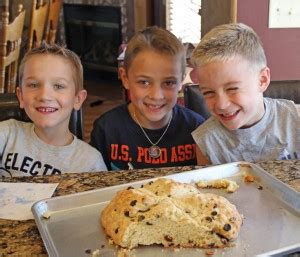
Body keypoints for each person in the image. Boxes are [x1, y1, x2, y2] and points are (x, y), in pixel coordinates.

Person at [90, 26, 205, 170]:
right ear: (125, 78)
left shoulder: (197, 129)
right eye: (144, 82)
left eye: (168, 83)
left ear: (181, 80)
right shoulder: (106, 129)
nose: (156, 95)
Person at [191, 23, 300, 165]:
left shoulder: (295, 119)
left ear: (262, 80)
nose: (222, 105)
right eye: (209, 92)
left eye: (232, 89)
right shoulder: (206, 142)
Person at [0, 42, 107, 177]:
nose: (45, 96)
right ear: (21, 96)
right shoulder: (7, 134)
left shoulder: (90, 162)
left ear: (77, 99)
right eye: (33, 85)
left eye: (58, 86)